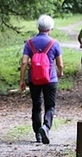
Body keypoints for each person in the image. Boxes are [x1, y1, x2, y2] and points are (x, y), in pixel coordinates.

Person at [19, 14, 64, 144]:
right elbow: (60, 64)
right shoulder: (54, 43)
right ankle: (46, 127)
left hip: (34, 79)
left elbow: (24, 62)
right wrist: (60, 72)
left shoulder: (29, 43)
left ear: (38, 27)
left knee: (36, 106)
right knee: (50, 106)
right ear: (50, 28)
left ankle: (38, 134)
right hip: (50, 79)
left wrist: (22, 80)